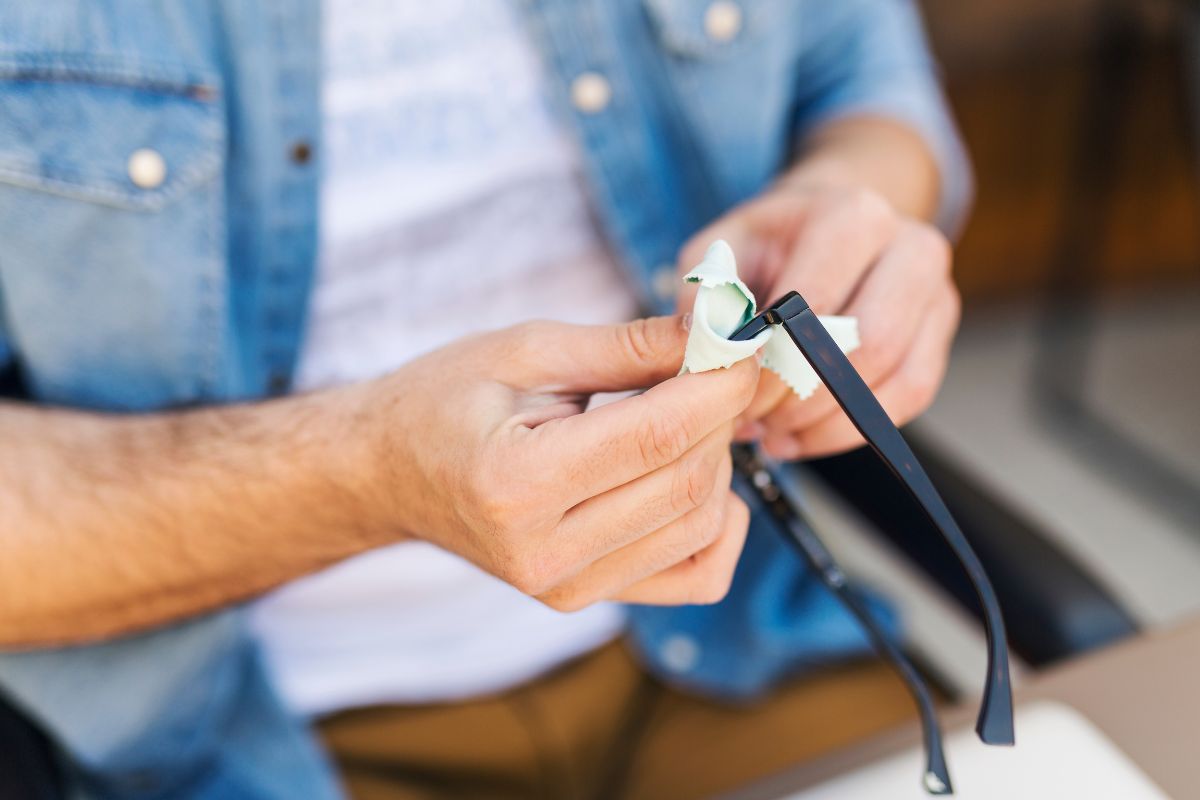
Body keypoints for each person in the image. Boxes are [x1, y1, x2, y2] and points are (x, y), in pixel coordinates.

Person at [0, 1, 968, 798]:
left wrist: (852, 199)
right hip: (230, 740)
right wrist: (367, 476)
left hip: (739, 645)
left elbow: (866, 84)